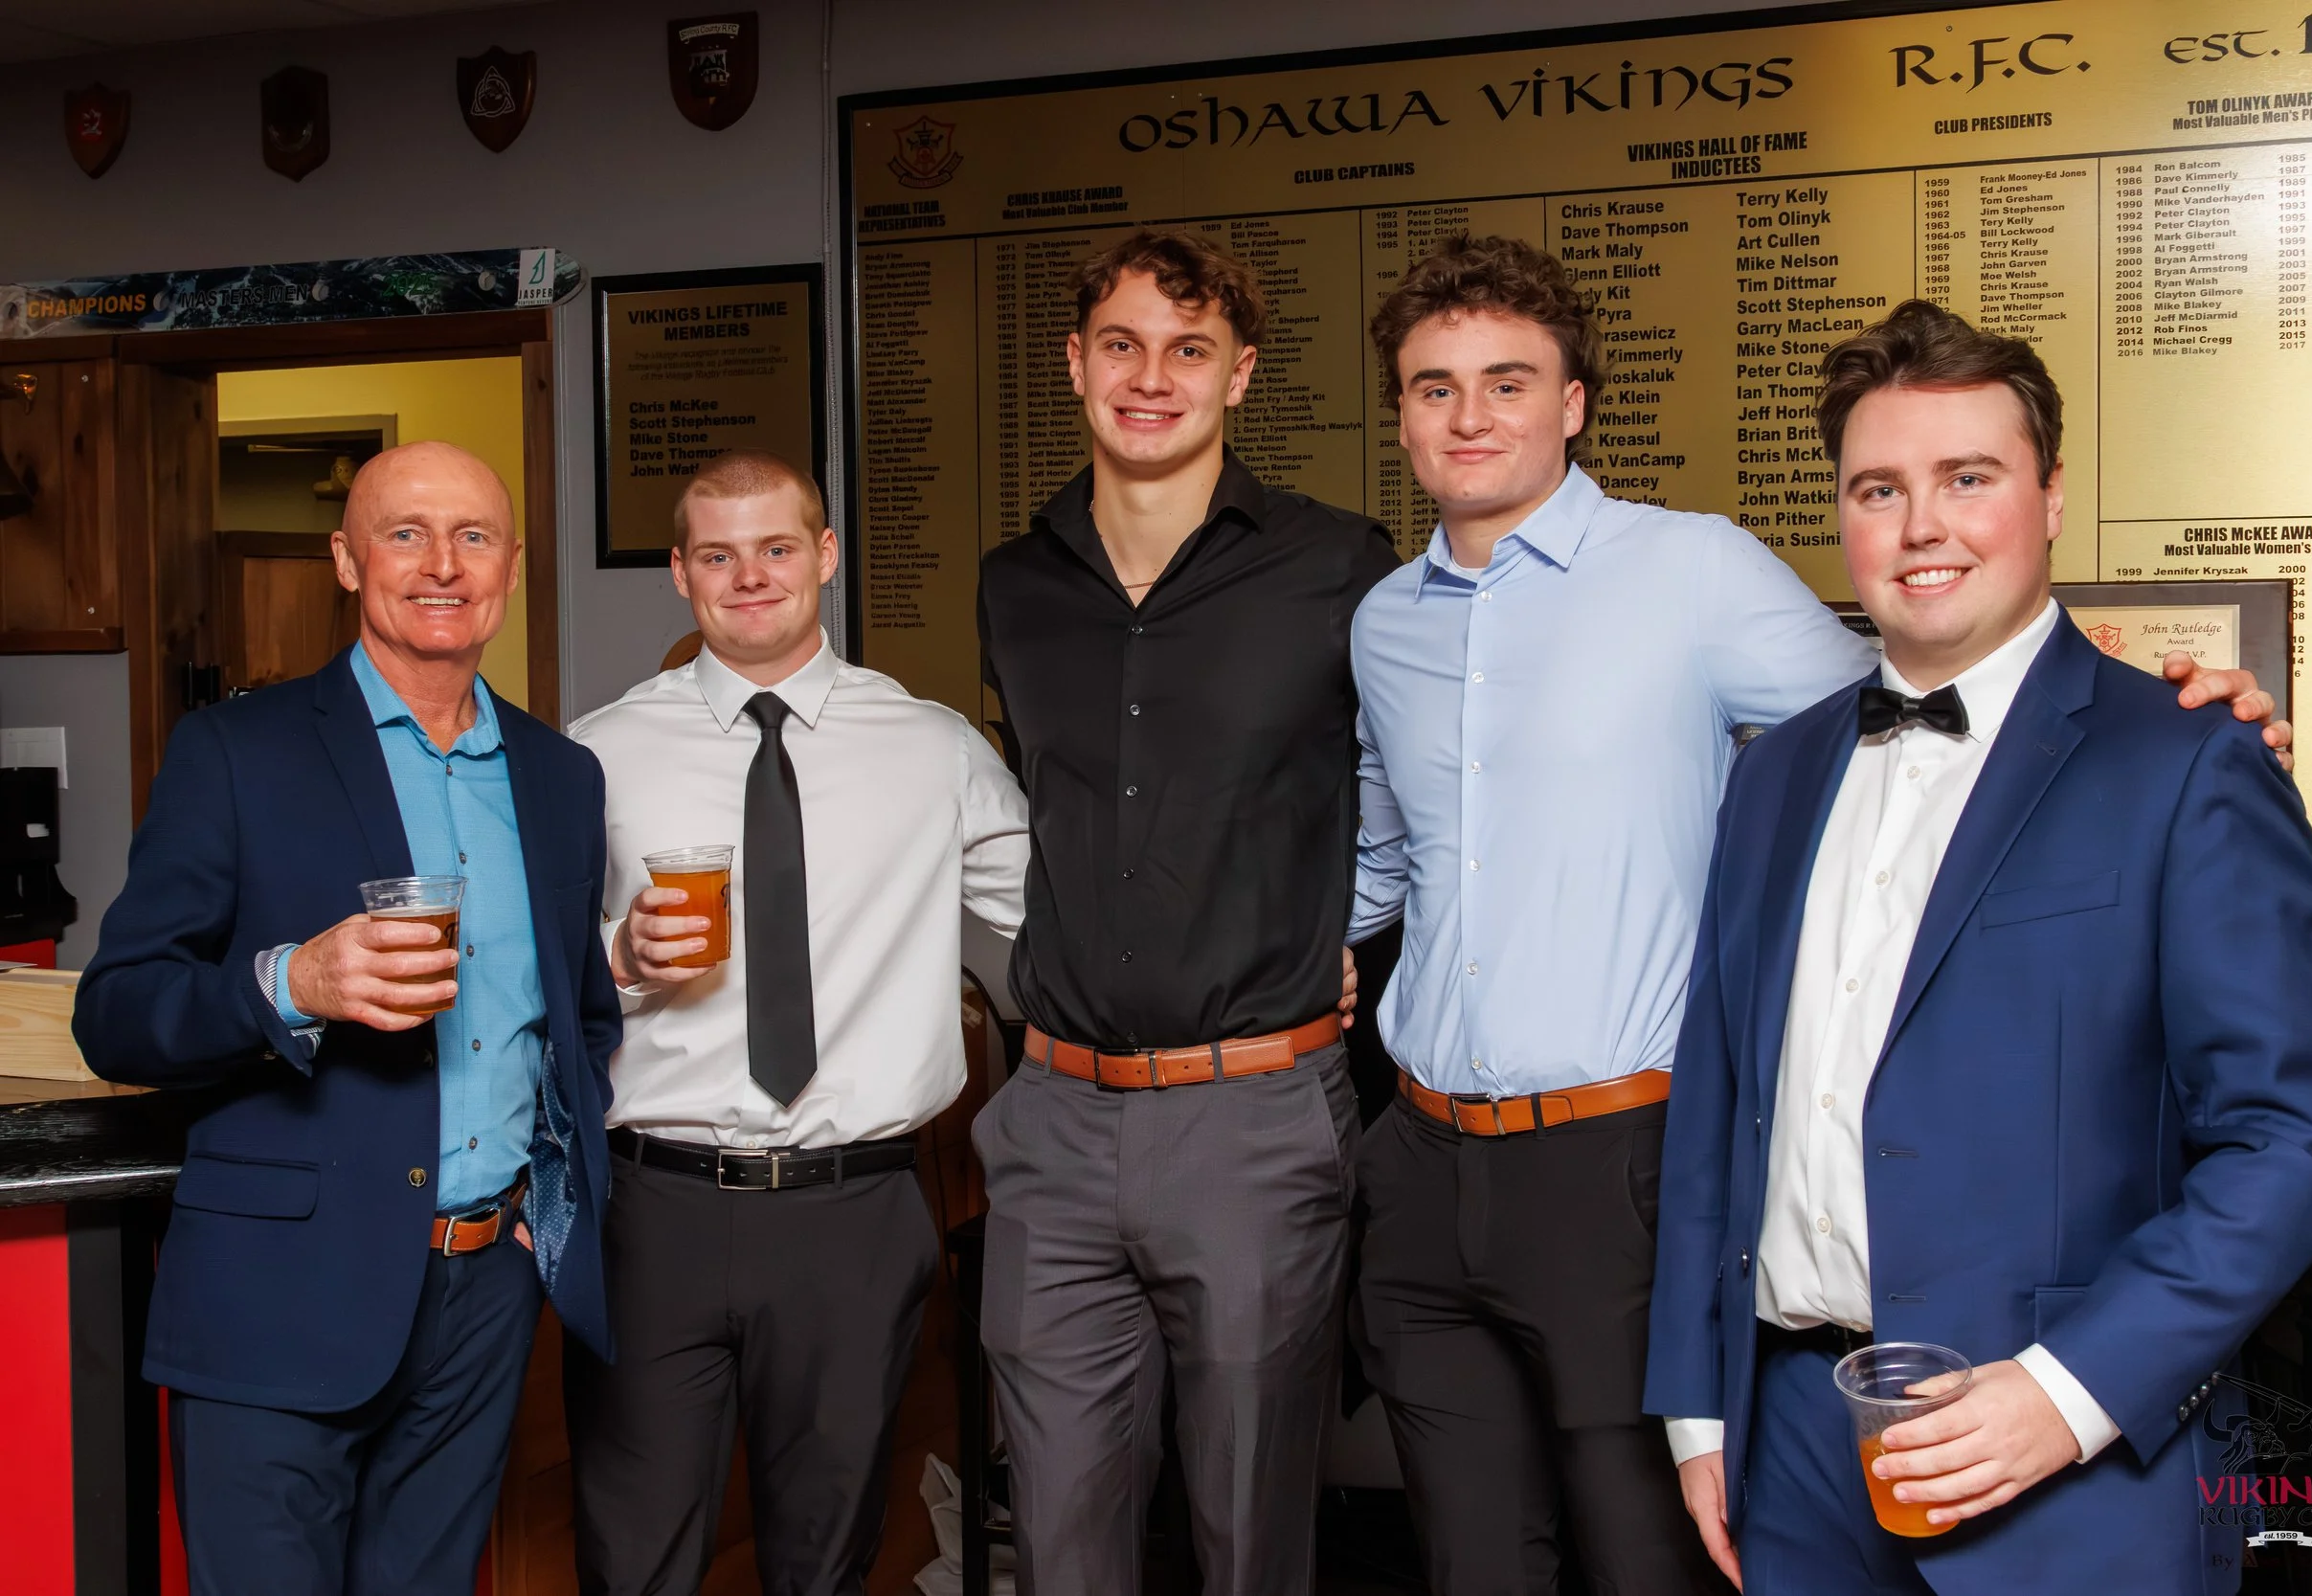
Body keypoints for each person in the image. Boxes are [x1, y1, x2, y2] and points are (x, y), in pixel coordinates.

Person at [1343, 239, 2289, 1596]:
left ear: (1576, 401)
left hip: (1637, 1165)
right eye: (1434, 386)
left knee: (1637, 1558)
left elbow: (1948, 693)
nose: (1471, 413)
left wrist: (2168, 711)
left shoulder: (1697, 571)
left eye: (1508, 379)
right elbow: (1397, 856)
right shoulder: (1393, 624)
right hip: (1453, 1170)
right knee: (1468, 1554)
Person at [1645, 300, 2312, 1595]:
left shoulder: (2190, 761)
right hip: (1791, 1448)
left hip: (2065, 1461)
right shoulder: (1773, 773)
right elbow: (1718, 1104)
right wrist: (1701, 1406)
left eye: (1967, 478)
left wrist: (2067, 1389)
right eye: (1880, 487)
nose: (1921, 525)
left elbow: (2291, 1139)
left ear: (2050, 498)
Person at [73, 441, 619, 1596]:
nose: (441, 564)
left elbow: (580, 1022)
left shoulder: (559, 774)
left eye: (473, 536)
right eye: (403, 532)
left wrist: (541, 1217)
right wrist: (291, 982)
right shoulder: (236, 751)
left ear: (512, 569)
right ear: (344, 557)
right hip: (279, 1290)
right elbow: (116, 1015)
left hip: (484, 1294)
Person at [973, 230, 1391, 1596]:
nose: (1151, 377)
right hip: (1051, 1118)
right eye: (1122, 344)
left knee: (1248, 1537)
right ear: (1075, 363)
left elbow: (1427, 781)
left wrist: (1355, 925)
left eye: (1189, 348)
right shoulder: (1012, 583)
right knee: (1061, 1542)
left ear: (1241, 374)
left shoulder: (1340, 565)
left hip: (1254, 1118)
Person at [566, 450, 1029, 1594]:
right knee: (632, 1554)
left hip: (852, 1211)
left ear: (824, 555)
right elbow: (519, 971)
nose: (751, 576)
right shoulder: (598, 751)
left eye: (777, 547)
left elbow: (1067, 928)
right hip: (651, 1208)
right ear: (680, 574)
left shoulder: (933, 749)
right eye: (717, 555)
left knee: (825, 1556)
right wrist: (618, 957)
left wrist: (1267, 970)